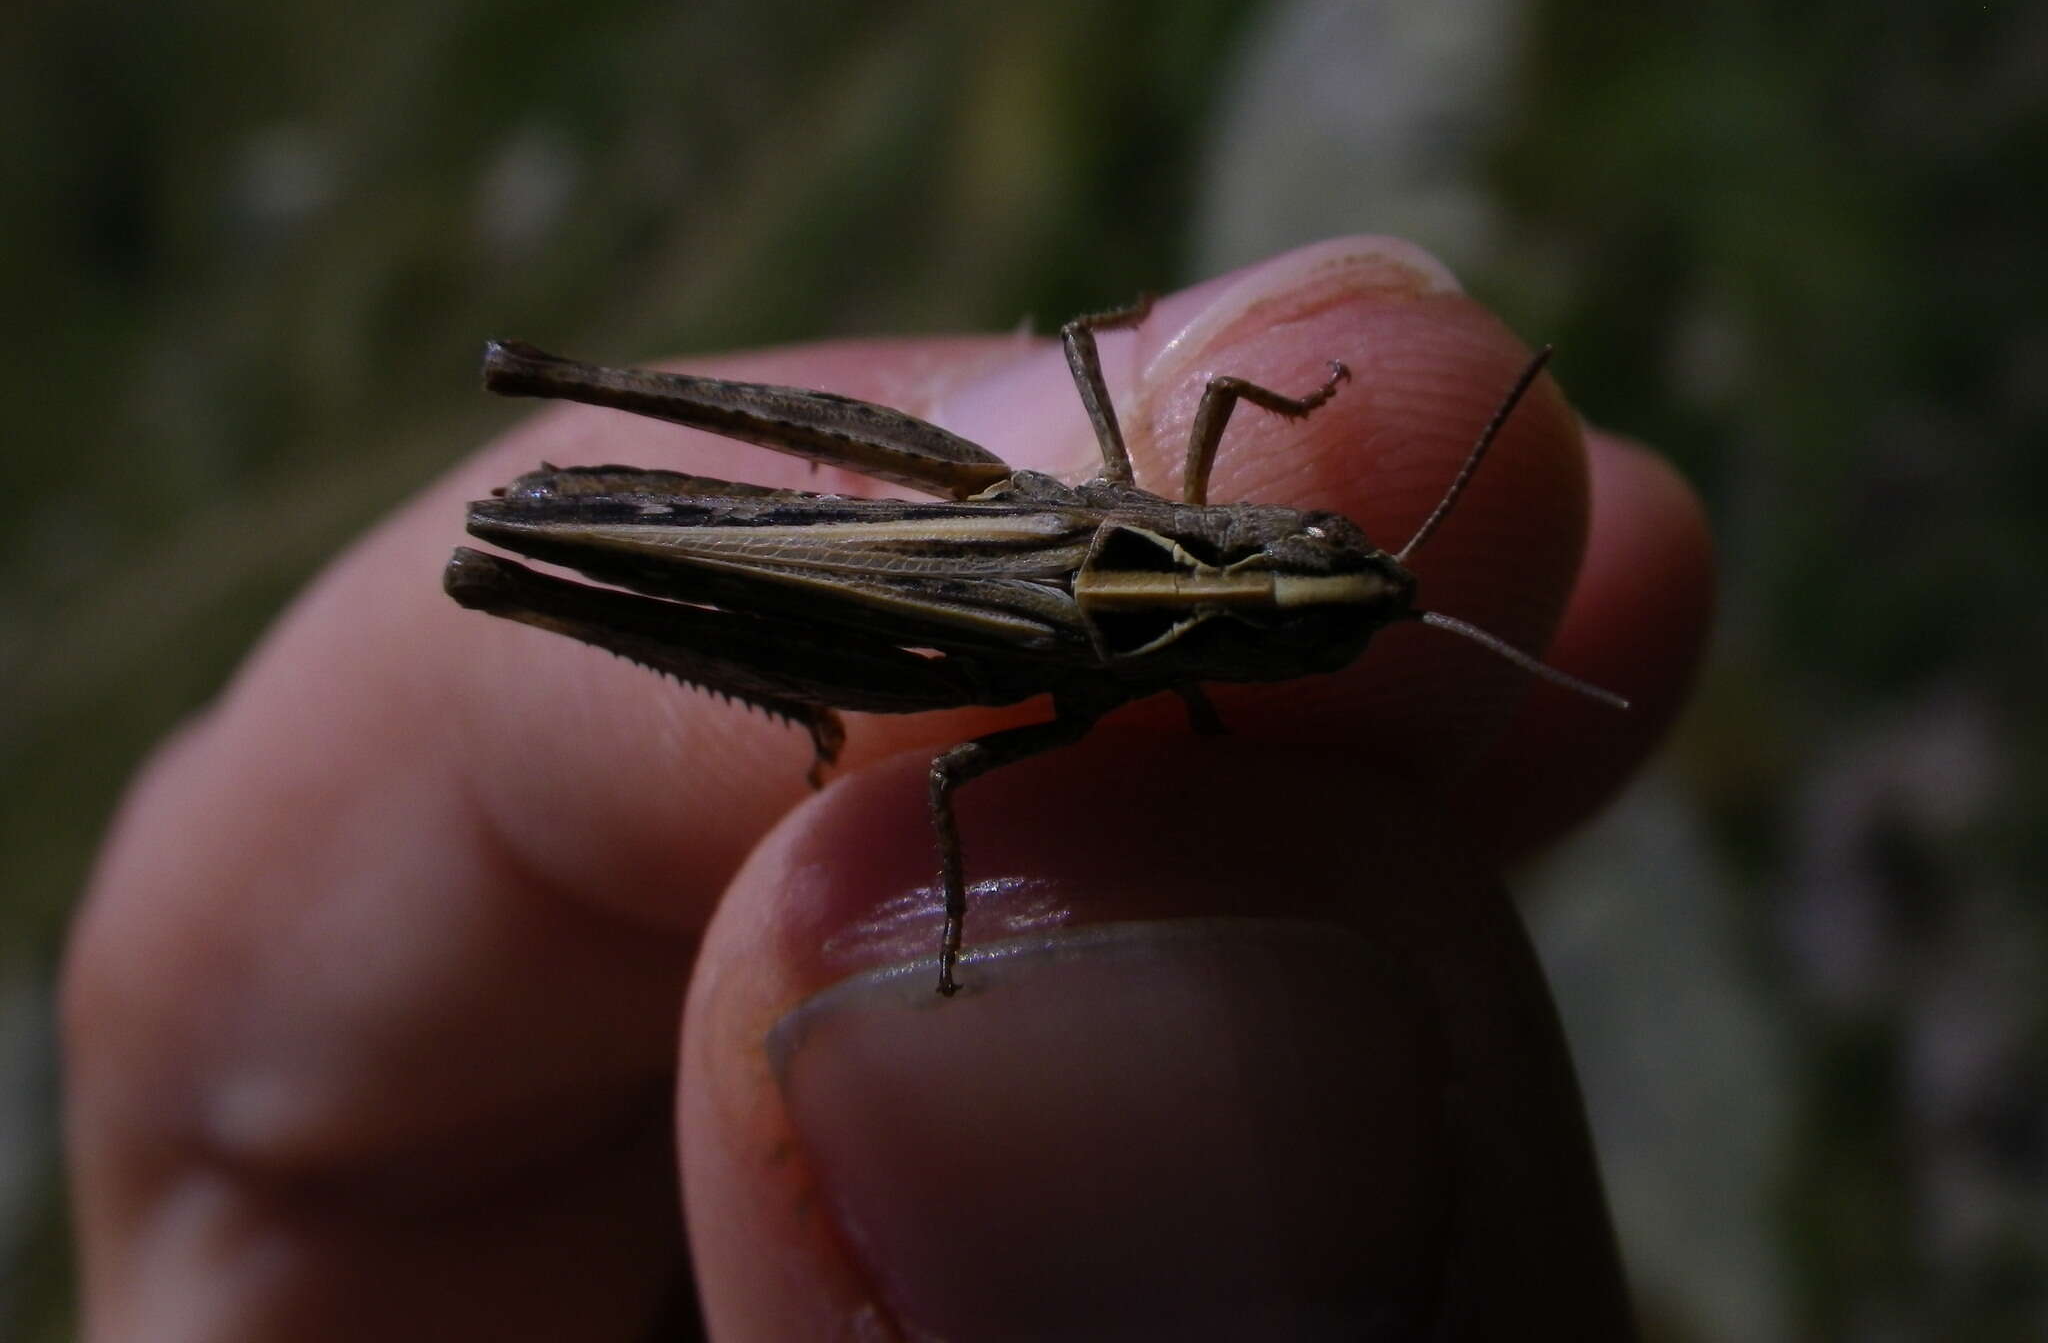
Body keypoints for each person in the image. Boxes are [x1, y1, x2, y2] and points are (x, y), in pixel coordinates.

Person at [64, 237, 1714, 1339]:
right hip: (972, 554)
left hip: (975, 590)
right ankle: (559, 449)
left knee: (902, 713)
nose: (1332, 561)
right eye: (1334, 558)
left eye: (1333, 591)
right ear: (1269, 544)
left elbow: (1143, 382)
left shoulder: (1178, 522)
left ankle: (597, 562)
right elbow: (961, 785)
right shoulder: (1189, 695)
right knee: (897, 675)